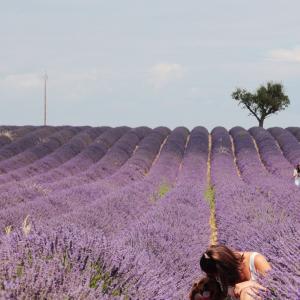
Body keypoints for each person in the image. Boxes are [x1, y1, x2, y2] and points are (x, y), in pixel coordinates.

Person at [199, 245, 271, 300]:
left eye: (217, 274)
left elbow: (274, 288)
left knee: (247, 292)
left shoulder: (256, 260)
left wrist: (250, 284)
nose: (218, 278)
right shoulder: (219, 276)